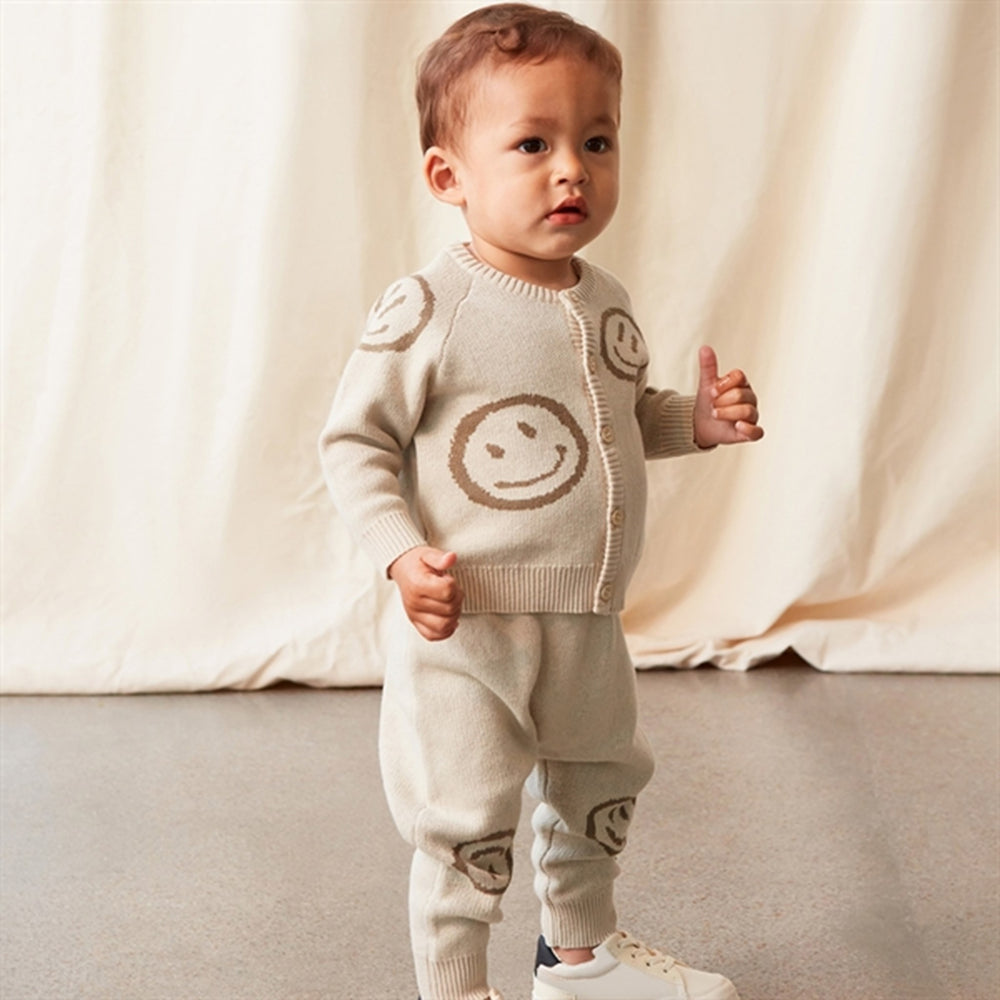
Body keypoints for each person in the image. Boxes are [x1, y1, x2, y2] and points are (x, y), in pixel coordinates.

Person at [319, 5, 763, 999]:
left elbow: (619, 420)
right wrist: (400, 554)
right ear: (449, 176)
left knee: (600, 784)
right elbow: (355, 441)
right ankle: (457, 988)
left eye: (596, 142)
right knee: (465, 818)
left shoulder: (605, 299)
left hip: (587, 617)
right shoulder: (429, 306)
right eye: (533, 145)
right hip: (469, 627)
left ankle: (580, 961)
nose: (573, 170)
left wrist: (693, 421)